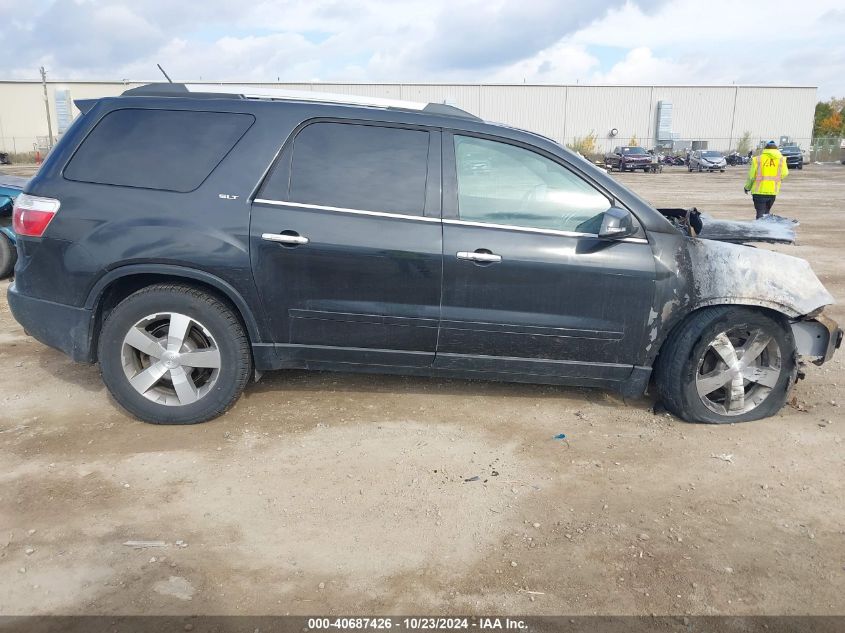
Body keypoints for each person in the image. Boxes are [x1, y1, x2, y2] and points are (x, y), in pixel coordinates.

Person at [744, 141, 788, 218]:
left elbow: (751, 176)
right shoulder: (781, 159)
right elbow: (785, 173)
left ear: (765, 149)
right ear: (776, 149)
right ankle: (766, 228)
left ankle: (760, 229)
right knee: (766, 213)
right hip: (772, 192)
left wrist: (747, 187)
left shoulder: (757, 159)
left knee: (760, 213)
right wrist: (778, 179)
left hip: (758, 192)